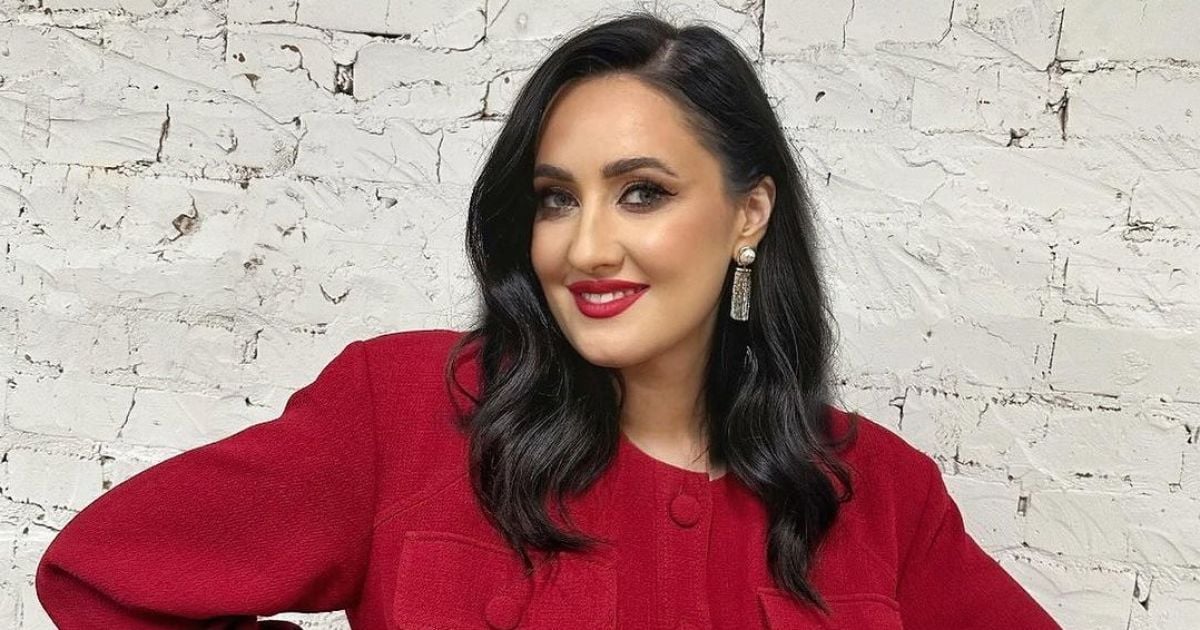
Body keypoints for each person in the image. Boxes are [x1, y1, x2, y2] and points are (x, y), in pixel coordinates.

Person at [35, 11, 1063, 630]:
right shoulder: (405, 412)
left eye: (643, 192)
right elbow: (105, 577)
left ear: (748, 214)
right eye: (556, 198)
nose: (584, 247)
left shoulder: (876, 492)